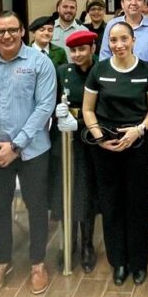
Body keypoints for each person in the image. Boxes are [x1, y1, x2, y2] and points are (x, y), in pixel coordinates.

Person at [0, 11, 56, 295]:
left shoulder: (40, 63)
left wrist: (16, 146)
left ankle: (37, 264)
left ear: (22, 31)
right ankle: (2, 262)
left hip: (32, 151)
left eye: (12, 30)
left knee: (37, 206)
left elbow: (44, 107)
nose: (7, 36)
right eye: (0, 31)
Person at [82, 21, 148, 287]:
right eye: (113, 40)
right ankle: (119, 262)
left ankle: (138, 262)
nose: (119, 45)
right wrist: (99, 138)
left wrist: (138, 130)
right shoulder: (99, 70)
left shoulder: (147, 71)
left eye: (124, 39)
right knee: (111, 203)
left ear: (133, 40)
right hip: (105, 148)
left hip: (136, 146)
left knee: (137, 204)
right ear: (108, 43)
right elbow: (88, 110)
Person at [51, 30, 100, 273]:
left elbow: (103, 107)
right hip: (65, 139)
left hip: (90, 138)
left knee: (86, 193)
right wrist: (57, 114)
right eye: (73, 50)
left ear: (92, 48)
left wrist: (80, 122)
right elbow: (53, 102)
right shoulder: (63, 72)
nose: (77, 54)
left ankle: (87, 245)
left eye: (82, 49)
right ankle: (68, 242)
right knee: (65, 191)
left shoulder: (100, 71)